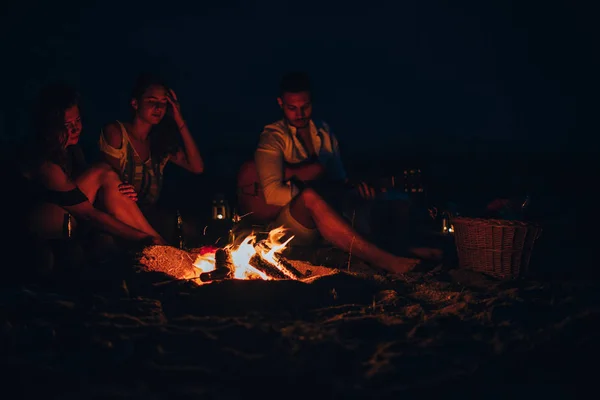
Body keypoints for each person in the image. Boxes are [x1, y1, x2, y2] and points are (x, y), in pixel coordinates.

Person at [241, 72, 423, 274]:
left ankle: (409, 249)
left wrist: (355, 190)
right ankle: (387, 261)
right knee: (310, 197)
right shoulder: (272, 137)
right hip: (288, 224)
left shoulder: (324, 132)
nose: (300, 113)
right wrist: (320, 195)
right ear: (280, 103)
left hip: (327, 210)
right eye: (292, 108)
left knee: (392, 199)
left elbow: (339, 180)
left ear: (312, 102)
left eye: (305, 107)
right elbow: (273, 194)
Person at [9, 83, 167, 280]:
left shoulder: (72, 151)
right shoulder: (42, 161)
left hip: (69, 217)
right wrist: (143, 239)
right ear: (50, 126)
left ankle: (160, 246)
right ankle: (158, 243)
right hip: (34, 226)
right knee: (103, 172)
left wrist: (118, 191)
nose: (76, 128)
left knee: (109, 180)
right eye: (67, 125)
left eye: (78, 120)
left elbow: (88, 195)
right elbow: (88, 214)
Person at [99, 73, 204, 245]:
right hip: (119, 217)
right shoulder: (117, 133)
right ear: (135, 103)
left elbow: (197, 167)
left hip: (150, 216)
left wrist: (179, 118)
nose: (158, 107)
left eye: (163, 103)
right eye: (151, 101)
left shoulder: (160, 143)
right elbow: (110, 188)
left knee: (191, 228)